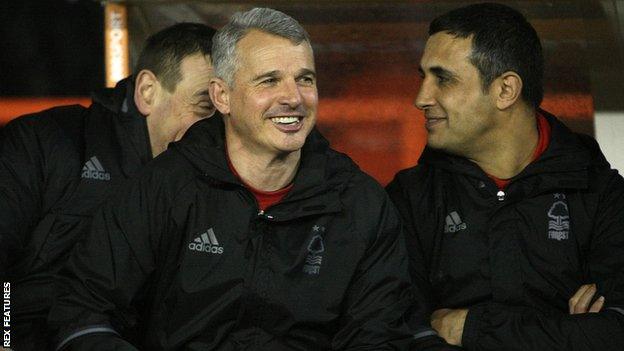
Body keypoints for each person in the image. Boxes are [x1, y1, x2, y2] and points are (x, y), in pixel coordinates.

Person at [48, 7, 449, 351]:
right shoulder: (162, 187)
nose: (293, 97)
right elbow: (85, 308)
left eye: (305, 79)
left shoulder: (361, 204)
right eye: (269, 80)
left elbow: (378, 334)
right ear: (221, 96)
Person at [386, 3, 624, 350]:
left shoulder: (604, 196)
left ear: (505, 90)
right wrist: (565, 332)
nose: (421, 98)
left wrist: (471, 327)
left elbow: (614, 335)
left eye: (444, 79)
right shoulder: (408, 199)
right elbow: (398, 334)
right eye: (423, 76)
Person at [0, 22, 217, 350]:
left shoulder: (217, 185)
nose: (215, 129)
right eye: (204, 107)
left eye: (226, 113)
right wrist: (4, 337)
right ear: (147, 91)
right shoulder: (47, 142)